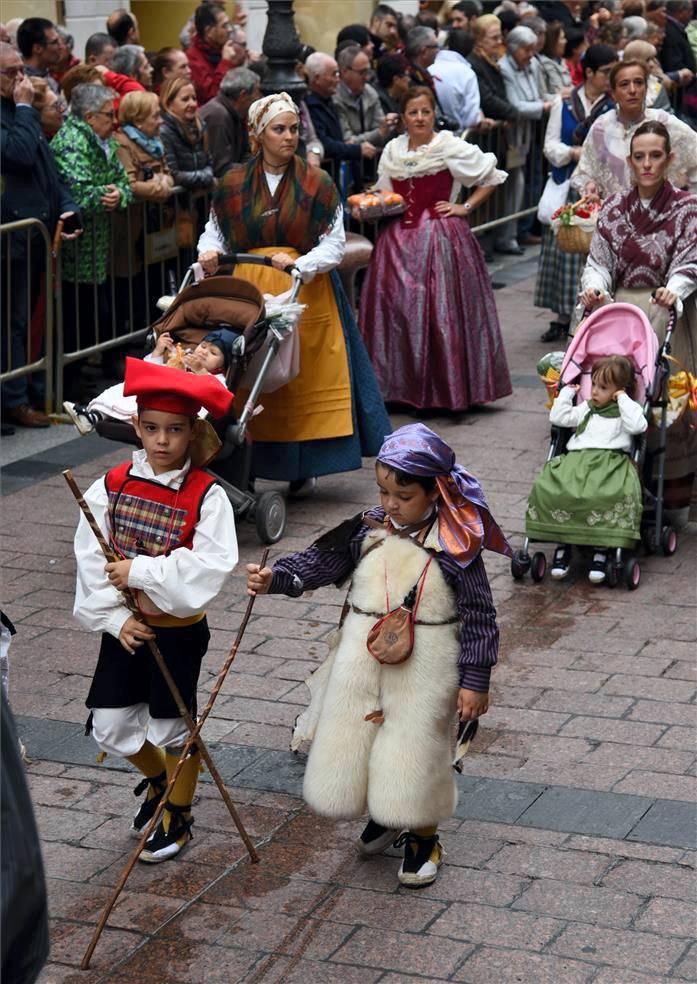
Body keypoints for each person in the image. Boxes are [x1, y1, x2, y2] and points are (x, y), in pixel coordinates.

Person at [246, 423, 508, 888]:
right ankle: (388, 814)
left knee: (416, 747)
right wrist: (278, 578)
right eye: (384, 490)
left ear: (436, 491)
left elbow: (480, 616)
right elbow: (322, 562)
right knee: (365, 742)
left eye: (403, 495)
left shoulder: (455, 546)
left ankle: (423, 835)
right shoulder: (368, 527)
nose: (390, 504)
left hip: (426, 665)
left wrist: (475, 679)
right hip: (364, 656)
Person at [72, 357, 237, 863]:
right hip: (125, 629)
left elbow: (210, 568)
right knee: (111, 724)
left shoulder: (207, 496)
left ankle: (178, 812)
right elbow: (89, 554)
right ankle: (160, 781)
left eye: (175, 430)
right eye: (151, 428)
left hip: (177, 630)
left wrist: (141, 572)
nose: (162, 440)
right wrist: (115, 618)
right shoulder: (112, 484)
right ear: (137, 427)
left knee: (172, 726)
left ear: (193, 432)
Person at [197, 92, 390, 491]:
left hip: (306, 290)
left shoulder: (316, 183)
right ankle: (244, 464)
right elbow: (212, 233)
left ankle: (301, 469)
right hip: (249, 291)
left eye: (293, 129)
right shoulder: (232, 183)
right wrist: (209, 253)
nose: (288, 137)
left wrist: (303, 263)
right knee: (246, 375)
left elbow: (333, 243)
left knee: (301, 381)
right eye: (278, 129)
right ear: (257, 135)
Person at [359, 86, 512, 412]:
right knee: (398, 313)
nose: (419, 118)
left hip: (440, 239)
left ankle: (445, 391)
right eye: (413, 112)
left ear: (433, 114)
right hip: (396, 241)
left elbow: (491, 176)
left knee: (442, 312)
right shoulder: (393, 150)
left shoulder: (449, 146)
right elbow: (386, 192)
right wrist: (371, 202)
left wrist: (464, 207)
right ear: (403, 118)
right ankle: (400, 387)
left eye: (425, 112)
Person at [579, 120, 697, 524]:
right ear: (629, 161)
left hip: (665, 311)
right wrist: (595, 288)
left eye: (655, 156)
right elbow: (599, 261)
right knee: (610, 397)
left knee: (667, 404)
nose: (647, 164)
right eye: (640, 157)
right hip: (619, 315)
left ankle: (668, 494)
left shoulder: (687, 206)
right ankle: (609, 485)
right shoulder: (613, 207)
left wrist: (676, 289)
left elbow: (689, 259)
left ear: (669, 159)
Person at [0, 42, 80, 430]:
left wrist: (67, 205)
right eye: (11, 73)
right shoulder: (18, 113)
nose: (21, 80)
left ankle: (23, 392)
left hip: (35, 233)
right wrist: (26, 108)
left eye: (21, 71)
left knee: (24, 321)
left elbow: (46, 165)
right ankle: (13, 399)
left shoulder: (18, 112)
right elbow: (16, 154)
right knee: (10, 322)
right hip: (10, 236)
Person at [526, 356, 648, 583]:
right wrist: (566, 395)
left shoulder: (625, 412)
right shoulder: (586, 408)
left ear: (618, 390)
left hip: (610, 463)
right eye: (593, 384)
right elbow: (559, 417)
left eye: (603, 387)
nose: (594, 392)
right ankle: (563, 544)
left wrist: (623, 399)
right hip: (577, 461)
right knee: (554, 488)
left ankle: (602, 549)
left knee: (604, 495)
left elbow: (639, 425)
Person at [51, 83, 132, 393]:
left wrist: (119, 194)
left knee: (90, 313)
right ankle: (70, 383)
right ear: (88, 116)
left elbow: (122, 181)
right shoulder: (72, 141)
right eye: (108, 115)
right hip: (76, 247)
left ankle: (80, 375)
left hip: (98, 246)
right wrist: (107, 196)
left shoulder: (102, 139)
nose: (113, 122)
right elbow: (78, 191)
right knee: (74, 316)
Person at [535, 43, 618, 344]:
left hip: (602, 190)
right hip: (571, 188)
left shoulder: (614, 105)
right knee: (565, 257)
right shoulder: (565, 103)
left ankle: (595, 312)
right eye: (606, 72)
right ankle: (562, 316)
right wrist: (574, 153)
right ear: (591, 72)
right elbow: (550, 145)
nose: (611, 78)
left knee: (597, 255)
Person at [64, 329, 231, 434]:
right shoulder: (183, 362)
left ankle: (95, 416)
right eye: (203, 346)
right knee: (125, 387)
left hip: (178, 413)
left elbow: (216, 394)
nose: (204, 352)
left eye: (213, 353)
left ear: (223, 364)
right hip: (156, 399)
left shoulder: (218, 379)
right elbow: (151, 372)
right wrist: (159, 351)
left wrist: (201, 371)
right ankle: (93, 416)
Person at [572, 61, 697, 201]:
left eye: (638, 82)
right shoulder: (602, 127)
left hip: (662, 216)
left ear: (646, 88)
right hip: (614, 218)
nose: (632, 90)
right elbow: (584, 171)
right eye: (624, 84)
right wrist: (590, 185)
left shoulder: (665, 123)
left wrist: (689, 206)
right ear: (613, 93)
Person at [498, 26, 553, 254]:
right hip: (511, 137)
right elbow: (516, 105)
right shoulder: (504, 68)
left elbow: (538, 95)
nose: (531, 54)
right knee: (514, 184)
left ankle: (516, 233)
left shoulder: (533, 65)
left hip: (528, 134)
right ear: (513, 49)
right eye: (527, 49)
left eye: (533, 48)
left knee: (522, 183)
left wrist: (553, 99)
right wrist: (544, 106)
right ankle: (507, 235)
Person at [304, 51, 378, 169]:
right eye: (334, 74)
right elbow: (324, 143)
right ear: (317, 78)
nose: (338, 80)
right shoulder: (310, 105)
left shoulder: (329, 100)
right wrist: (356, 150)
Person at [333, 44, 396, 151]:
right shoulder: (334, 98)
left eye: (368, 71)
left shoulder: (370, 92)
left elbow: (382, 133)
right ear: (344, 72)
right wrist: (378, 133)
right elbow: (347, 141)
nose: (367, 77)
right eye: (362, 72)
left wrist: (392, 128)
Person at [199, 67, 259, 177]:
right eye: (256, 94)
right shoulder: (218, 116)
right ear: (243, 95)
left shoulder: (238, 114)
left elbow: (245, 154)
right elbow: (220, 167)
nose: (258, 99)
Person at [159, 77, 214, 191]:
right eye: (185, 99)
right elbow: (174, 174)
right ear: (168, 103)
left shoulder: (200, 126)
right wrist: (206, 178)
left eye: (194, 98)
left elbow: (210, 164)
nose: (193, 104)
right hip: (176, 205)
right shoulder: (164, 132)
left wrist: (206, 176)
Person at [186, 3, 240, 106]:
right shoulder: (193, 58)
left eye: (229, 24)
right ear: (209, 31)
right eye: (224, 26)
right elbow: (213, 95)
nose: (229, 29)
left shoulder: (221, 48)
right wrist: (225, 62)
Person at [430, 28, 482, 131]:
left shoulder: (429, 65)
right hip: (456, 138)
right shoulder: (467, 74)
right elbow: (471, 119)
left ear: (446, 44)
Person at [17, 17, 62, 96]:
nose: (61, 46)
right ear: (37, 48)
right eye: (55, 42)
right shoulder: (24, 85)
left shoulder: (47, 75)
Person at [623, 39, 671, 110]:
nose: (652, 64)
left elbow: (667, 112)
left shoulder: (657, 84)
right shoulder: (620, 86)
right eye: (647, 60)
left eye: (653, 58)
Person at [538, 20, 572, 97]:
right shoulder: (543, 64)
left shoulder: (561, 61)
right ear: (553, 41)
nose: (565, 41)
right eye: (562, 38)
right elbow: (556, 91)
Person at [374, 52, 411, 116]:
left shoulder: (400, 99)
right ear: (396, 79)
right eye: (407, 75)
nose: (409, 79)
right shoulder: (380, 104)